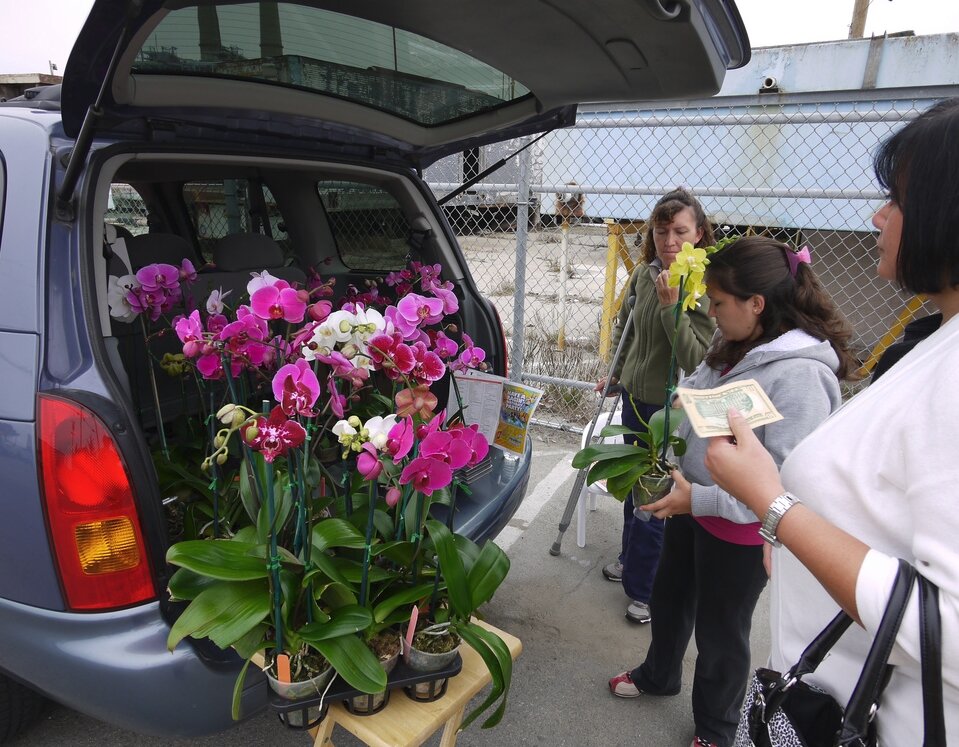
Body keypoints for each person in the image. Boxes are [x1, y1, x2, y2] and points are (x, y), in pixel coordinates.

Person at [704, 99, 959, 744]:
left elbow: (949, 629)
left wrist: (774, 505)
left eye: (897, 199)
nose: (878, 216)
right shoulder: (936, 341)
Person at [608, 236, 858, 747]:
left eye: (718, 302)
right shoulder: (736, 343)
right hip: (690, 503)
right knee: (669, 598)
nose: (711, 312)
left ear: (756, 304)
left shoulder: (802, 377)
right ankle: (659, 674)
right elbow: (698, 389)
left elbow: (784, 485)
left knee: (721, 632)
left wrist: (697, 499)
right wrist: (678, 415)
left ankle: (716, 728)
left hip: (740, 530)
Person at [595, 188, 716, 624]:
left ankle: (647, 589)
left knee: (655, 495)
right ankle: (632, 559)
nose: (669, 241)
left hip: (670, 409)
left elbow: (695, 359)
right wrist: (617, 371)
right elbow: (627, 328)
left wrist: (671, 310)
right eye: (661, 231)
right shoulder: (646, 275)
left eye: (680, 231)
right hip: (635, 397)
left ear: (699, 234)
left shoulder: (702, 285)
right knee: (634, 484)